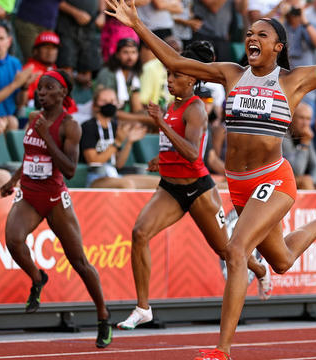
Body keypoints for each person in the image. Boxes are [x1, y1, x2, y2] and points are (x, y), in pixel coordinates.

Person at [106, 1, 316, 358]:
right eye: (249, 33)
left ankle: (222, 350)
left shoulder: (294, 80)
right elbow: (175, 63)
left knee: (235, 250)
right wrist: (137, 24)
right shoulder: (231, 73)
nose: (252, 37)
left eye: (262, 34)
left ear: (278, 47)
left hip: (274, 180)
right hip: (239, 183)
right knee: (280, 261)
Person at [116, 41, 271, 331]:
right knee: (139, 233)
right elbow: (173, 147)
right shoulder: (170, 107)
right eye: (168, 75)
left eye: (175, 75)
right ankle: (143, 307)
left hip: (198, 189)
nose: (169, 80)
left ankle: (260, 268)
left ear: (191, 78)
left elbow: (191, 153)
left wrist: (160, 124)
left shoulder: (196, 108)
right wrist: (159, 161)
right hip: (170, 188)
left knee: (226, 250)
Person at [0, 70, 112, 348]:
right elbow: (30, 155)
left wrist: (47, 137)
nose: (41, 93)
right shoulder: (33, 119)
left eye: (48, 88)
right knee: (13, 240)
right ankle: (38, 278)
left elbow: (71, 169)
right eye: (39, 88)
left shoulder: (70, 125)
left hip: (54, 197)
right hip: (29, 193)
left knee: (80, 262)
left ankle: (103, 316)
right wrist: (13, 180)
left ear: (63, 94)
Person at [80, 87, 160, 188]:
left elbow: (119, 164)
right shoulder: (88, 127)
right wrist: (117, 142)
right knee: (126, 184)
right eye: (104, 101)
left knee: (159, 183)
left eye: (112, 101)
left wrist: (129, 142)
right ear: (95, 106)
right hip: (96, 177)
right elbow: (94, 161)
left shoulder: (114, 126)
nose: (109, 104)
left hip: (115, 174)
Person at [282, 101, 316, 189]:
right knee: (305, 182)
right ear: (291, 118)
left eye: (308, 119)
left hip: (296, 179)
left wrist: (313, 180)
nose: (305, 123)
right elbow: (296, 171)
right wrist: (304, 143)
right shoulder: (284, 135)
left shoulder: (304, 134)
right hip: (279, 179)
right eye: (301, 118)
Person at [22, 31, 61, 105]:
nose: (50, 52)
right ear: (36, 51)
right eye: (46, 47)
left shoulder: (55, 69)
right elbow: (25, 104)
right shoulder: (29, 70)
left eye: (54, 48)